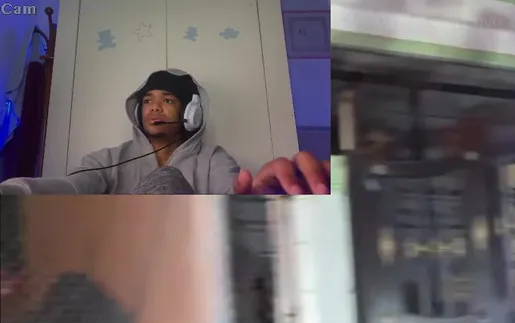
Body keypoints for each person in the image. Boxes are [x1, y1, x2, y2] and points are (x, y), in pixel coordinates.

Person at [0, 69, 328, 196]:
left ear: (190, 113)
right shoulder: (107, 159)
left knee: (167, 179)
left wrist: (258, 202)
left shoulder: (213, 159)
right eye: (147, 101)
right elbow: (74, 187)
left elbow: (231, 194)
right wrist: (21, 194)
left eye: (167, 100)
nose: (154, 108)